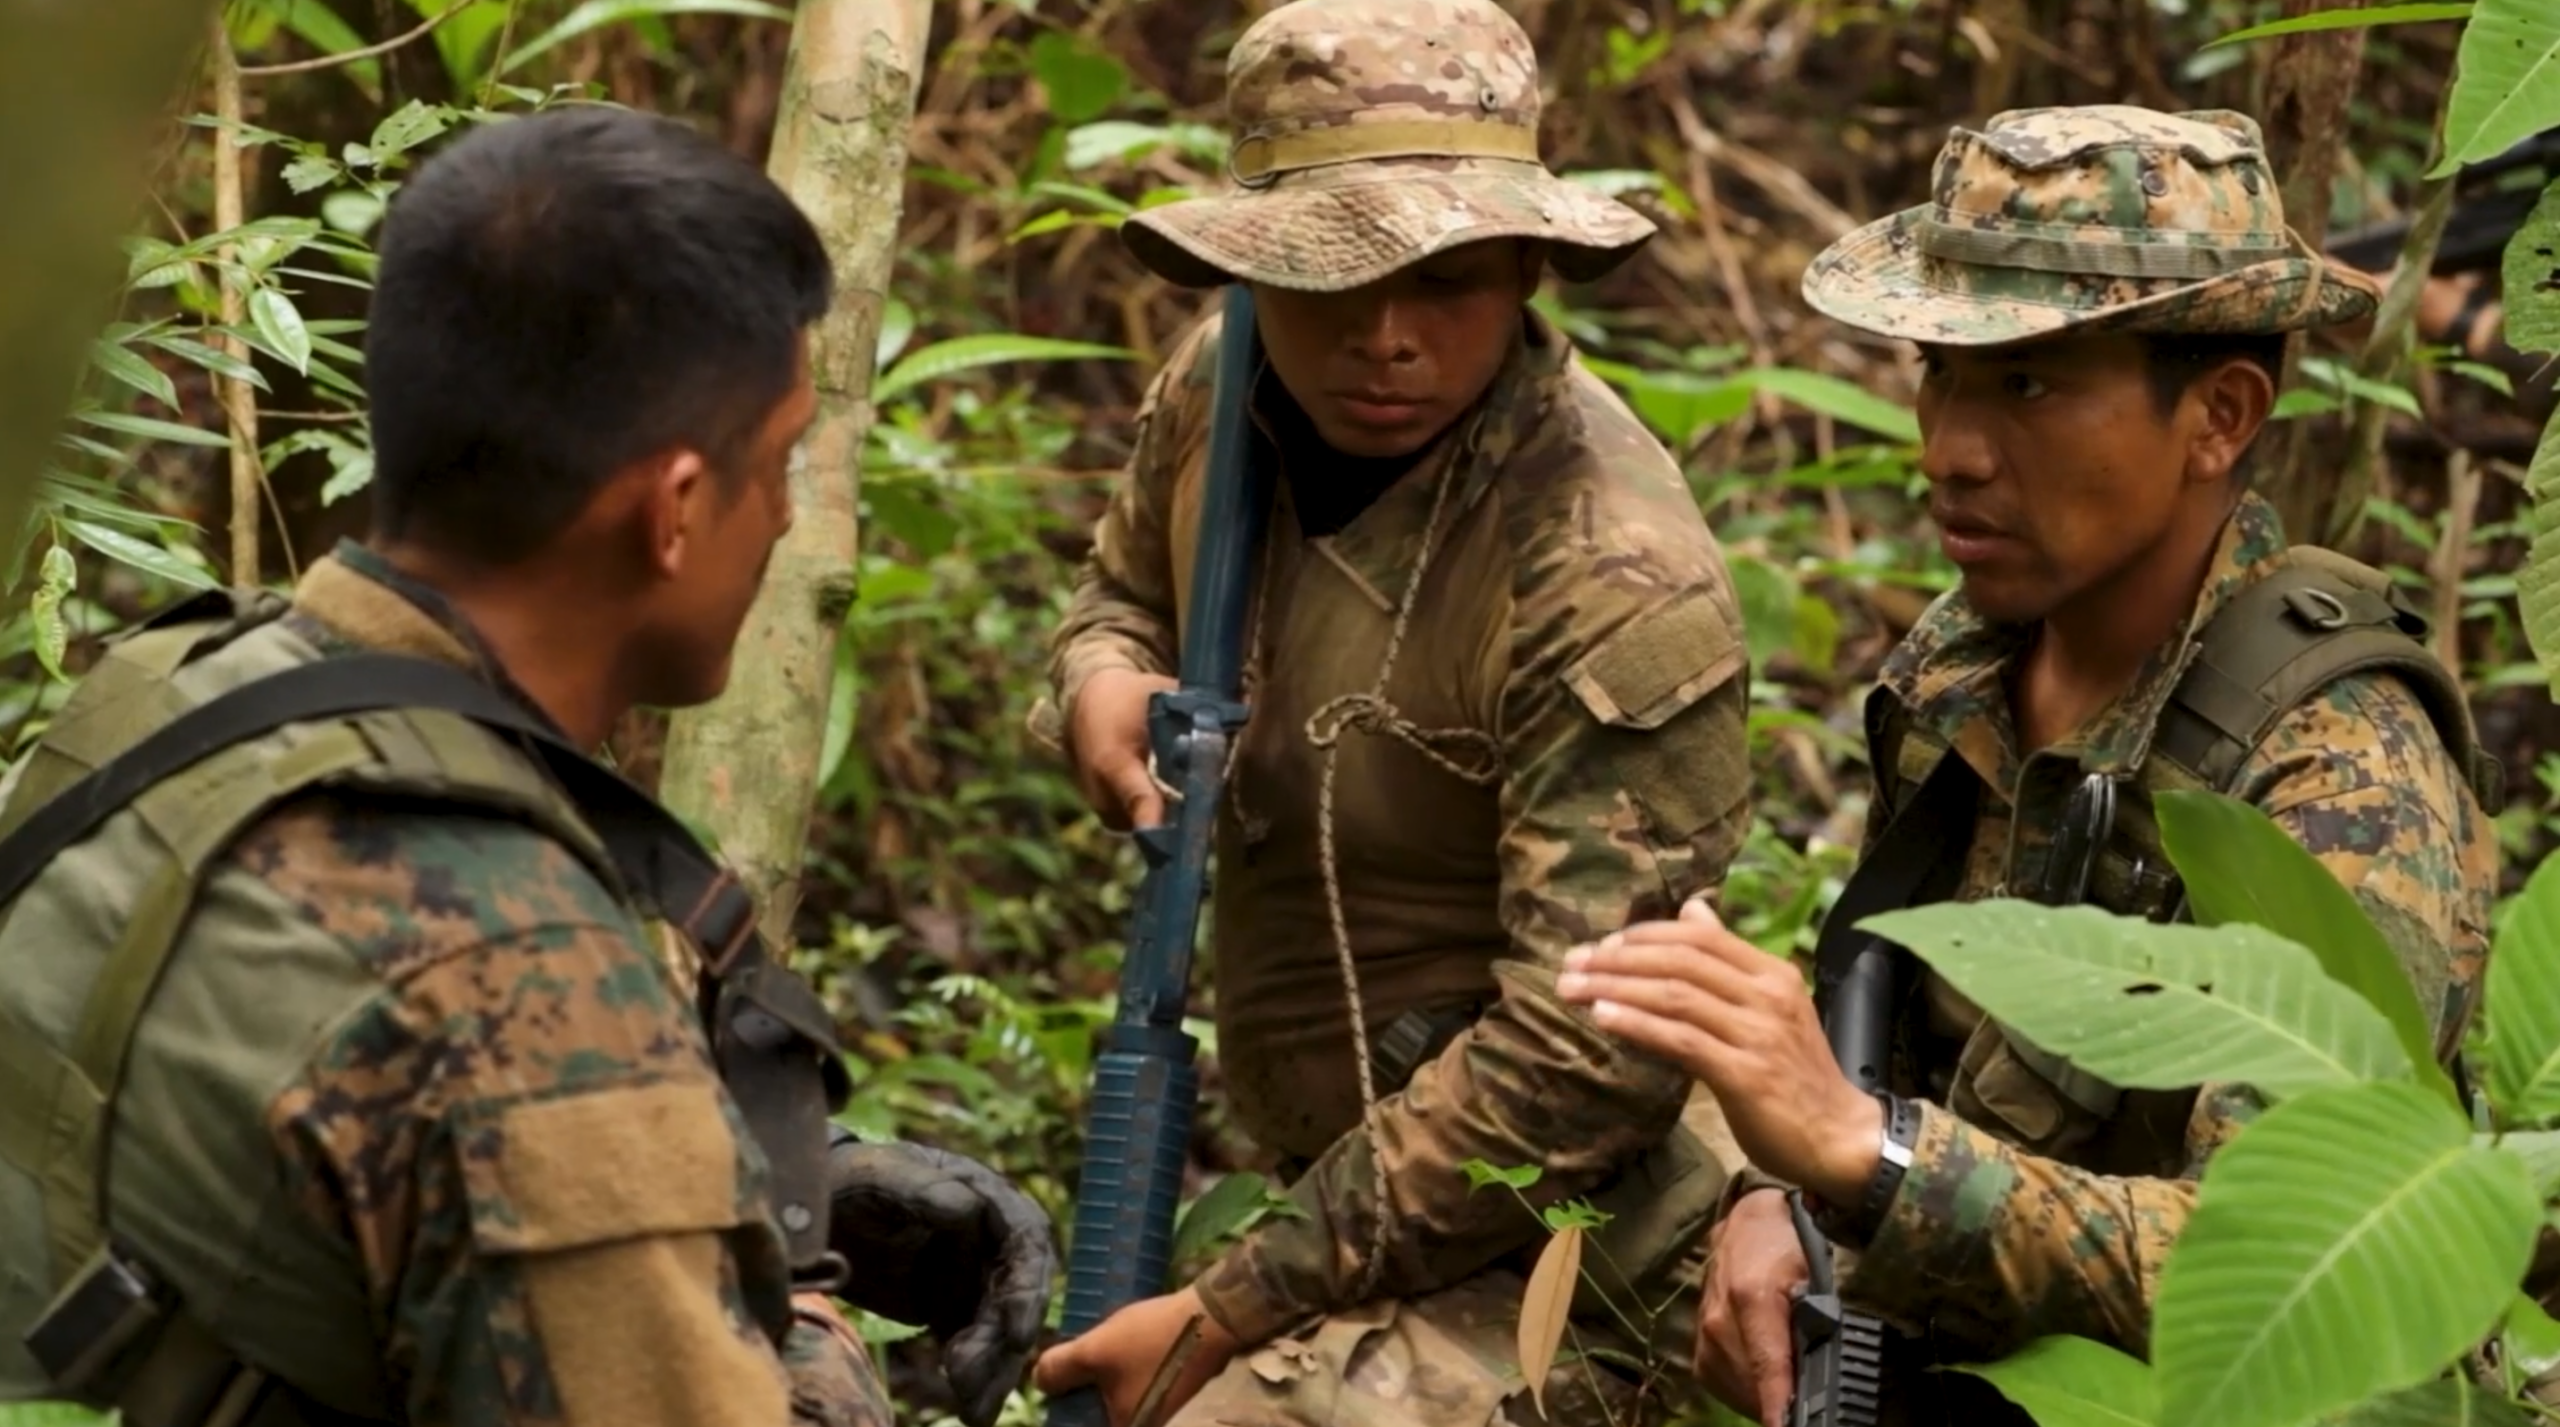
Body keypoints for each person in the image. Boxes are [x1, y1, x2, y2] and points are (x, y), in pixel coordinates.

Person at [0, 105, 1052, 1427]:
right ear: (673, 511)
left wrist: (770, 1180)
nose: (785, 514)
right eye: (779, 461)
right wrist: (807, 1307)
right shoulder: (518, 988)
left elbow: (295, 1154)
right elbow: (495, 1079)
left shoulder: (165, 699)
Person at [1552, 105, 2505, 1425]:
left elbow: (2290, 1266)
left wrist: (1864, 1156)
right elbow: (1905, 1040)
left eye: (2033, 385)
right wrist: (1795, 1195)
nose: (1950, 448)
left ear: (2219, 415)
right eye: (1940, 370)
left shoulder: (2339, 775)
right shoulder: (1973, 656)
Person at [1025, 2, 1758, 1425]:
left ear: (1532, 264)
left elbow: (1582, 1065)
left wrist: (1224, 1307)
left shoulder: (1608, 572)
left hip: (1560, 1244)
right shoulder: (1220, 383)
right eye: (1326, 276)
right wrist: (1101, 680)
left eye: (1449, 280)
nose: (1385, 337)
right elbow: (1117, 589)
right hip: (1313, 1176)